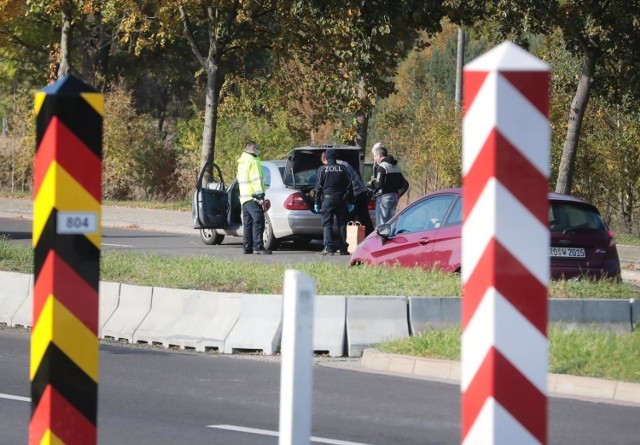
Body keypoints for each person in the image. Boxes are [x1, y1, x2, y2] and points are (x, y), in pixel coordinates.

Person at [314, 149, 354, 255]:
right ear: (335, 157)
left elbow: (318, 187)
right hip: (341, 200)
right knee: (342, 225)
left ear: (326, 158)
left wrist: (316, 202)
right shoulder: (343, 169)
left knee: (327, 224)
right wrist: (351, 201)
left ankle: (329, 248)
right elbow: (350, 187)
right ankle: (343, 249)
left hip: (327, 200)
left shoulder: (322, 169)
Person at [237, 141, 271, 254]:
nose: (258, 149)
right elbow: (256, 179)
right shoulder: (253, 161)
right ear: (252, 149)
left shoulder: (242, 162)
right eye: (257, 148)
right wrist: (260, 195)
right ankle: (258, 247)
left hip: (244, 196)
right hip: (253, 196)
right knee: (258, 220)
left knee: (248, 222)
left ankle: (247, 247)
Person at [369, 142, 409, 226]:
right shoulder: (396, 167)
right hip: (394, 198)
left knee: (381, 224)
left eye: (375, 156)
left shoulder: (382, 167)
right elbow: (405, 184)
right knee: (390, 223)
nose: (375, 159)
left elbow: (378, 185)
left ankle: (380, 239)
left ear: (379, 155)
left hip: (384, 198)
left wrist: (372, 183)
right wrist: (398, 194)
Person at [335, 155, 374, 236]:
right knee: (364, 218)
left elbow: (344, 183)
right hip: (360, 192)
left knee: (350, 219)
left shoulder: (338, 166)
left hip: (354, 193)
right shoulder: (344, 163)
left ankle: (349, 240)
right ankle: (370, 238)